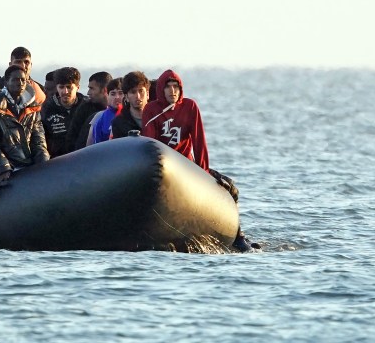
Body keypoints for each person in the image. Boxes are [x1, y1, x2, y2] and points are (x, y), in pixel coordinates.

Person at [141, 69, 255, 252]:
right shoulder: (152, 109)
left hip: (188, 165)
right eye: (168, 87)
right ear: (161, 89)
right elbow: (150, 141)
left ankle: (238, 236)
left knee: (231, 187)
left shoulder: (190, 107)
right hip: (166, 168)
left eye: (176, 87)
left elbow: (199, 140)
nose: (172, 91)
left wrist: (203, 172)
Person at [0, 65, 49, 242]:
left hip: (25, 159)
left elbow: (38, 138)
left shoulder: (32, 108)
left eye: (23, 80)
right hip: (0, 161)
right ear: (6, 82)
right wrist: (3, 167)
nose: (20, 83)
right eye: (15, 79)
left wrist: (43, 163)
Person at [41, 66, 86, 158]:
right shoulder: (47, 108)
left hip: (83, 158)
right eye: (61, 87)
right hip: (58, 161)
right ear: (57, 87)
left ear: (77, 87)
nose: (65, 91)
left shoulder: (86, 106)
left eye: (69, 87)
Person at [68, 71, 112, 150]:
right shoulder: (84, 109)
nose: (88, 93)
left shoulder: (122, 111)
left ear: (105, 90)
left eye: (92, 89)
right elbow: (72, 140)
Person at [110, 71, 150, 139]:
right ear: (126, 97)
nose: (138, 96)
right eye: (133, 92)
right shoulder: (118, 123)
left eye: (141, 91)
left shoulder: (158, 117)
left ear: (147, 94)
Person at [87, 77, 123, 145]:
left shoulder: (134, 115)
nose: (117, 97)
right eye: (113, 94)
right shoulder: (99, 118)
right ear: (107, 95)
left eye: (121, 93)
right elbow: (93, 146)